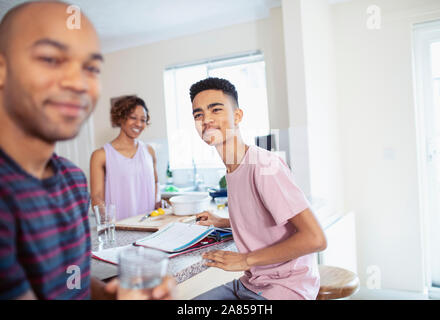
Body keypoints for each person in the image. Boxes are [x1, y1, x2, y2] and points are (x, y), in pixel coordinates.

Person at [0, 1, 174, 300]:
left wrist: (115, 296)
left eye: (91, 68)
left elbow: (73, 282)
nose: (78, 82)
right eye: (51, 58)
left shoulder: (71, 179)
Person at [190, 77, 327, 300]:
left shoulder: (265, 165)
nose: (206, 119)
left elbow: (315, 238)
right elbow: (262, 220)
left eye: (215, 110)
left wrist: (245, 260)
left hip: (286, 287)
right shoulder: (234, 167)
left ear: (237, 116)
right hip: (252, 283)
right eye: (198, 114)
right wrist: (222, 221)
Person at [90, 95, 160, 221]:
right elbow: (96, 197)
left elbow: (156, 183)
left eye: (143, 120)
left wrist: (158, 202)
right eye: (133, 118)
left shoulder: (149, 151)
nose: (138, 124)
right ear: (121, 118)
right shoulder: (100, 155)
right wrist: (107, 223)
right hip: (119, 228)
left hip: (150, 225)